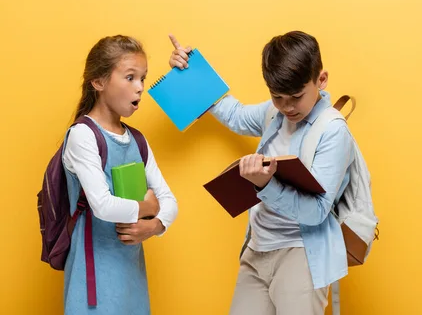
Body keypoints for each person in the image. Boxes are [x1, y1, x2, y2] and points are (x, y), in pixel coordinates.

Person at [168, 31, 353, 315]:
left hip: (301, 255)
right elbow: (236, 115)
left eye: (296, 96)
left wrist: (266, 185)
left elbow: (318, 211)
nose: (287, 107)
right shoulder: (274, 114)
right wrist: (191, 74)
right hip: (257, 249)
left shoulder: (333, 130)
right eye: (277, 96)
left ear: (321, 80)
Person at [63, 35, 178, 314]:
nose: (140, 88)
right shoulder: (83, 136)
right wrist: (148, 208)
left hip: (131, 275)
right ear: (99, 82)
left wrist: (155, 225)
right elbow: (102, 205)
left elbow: (170, 199)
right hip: (92, 279)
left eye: (143, 78)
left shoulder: (137, 140)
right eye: (129, 78)